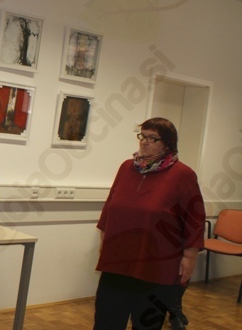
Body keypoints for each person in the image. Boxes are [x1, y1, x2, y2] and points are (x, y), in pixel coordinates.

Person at [95, 117, 205, 330]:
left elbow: (195, 219)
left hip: (157, 267)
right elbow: (110, 207)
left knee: (146, 324)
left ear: (168, 143)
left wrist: (189, 257)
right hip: (117, 261)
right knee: (106, 321)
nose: (144, 142)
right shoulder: (126, 168)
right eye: (142, 136)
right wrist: (104, 240)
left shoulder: (183, 174)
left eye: (152, 138)